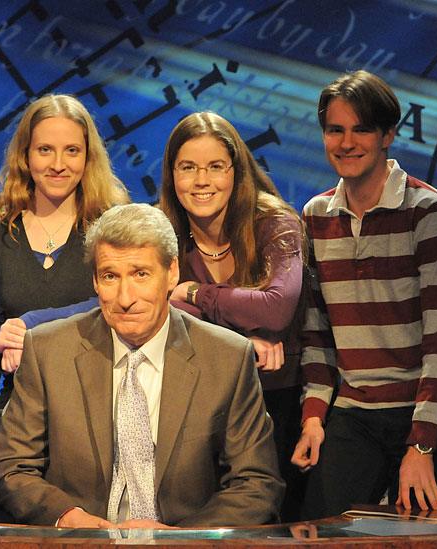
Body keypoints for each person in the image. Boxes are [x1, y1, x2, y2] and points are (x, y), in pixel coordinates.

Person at [0, 203, 283, 527]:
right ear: (95, 281)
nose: (125, 297)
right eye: (110, 276)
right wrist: (67, 517)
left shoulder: (226, 357)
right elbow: (12, 468)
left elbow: (257, 484)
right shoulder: (48, 350)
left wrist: (177, 539)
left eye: (140, 274)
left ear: (171, 272)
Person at [291, 70, 437, 518]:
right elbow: (317, 332)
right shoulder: (316, 215)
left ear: (388, 134)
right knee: (321, 527)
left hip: (429, 411)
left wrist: (422, 447)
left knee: (418, 535)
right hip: (356, 409)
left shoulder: (427, 212)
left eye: (361, 129)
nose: (347, 142)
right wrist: (314, 416)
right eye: (335, 130)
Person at [158, 111, 307, 521]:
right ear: (172, 175)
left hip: (280, 402)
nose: (201, 181)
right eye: (188, 168)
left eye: (215, 167)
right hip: (198, 407)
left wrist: (193, 292)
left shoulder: (275, 222)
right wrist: (242, 343)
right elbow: (154, 310)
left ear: (236, 172)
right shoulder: (163, 232)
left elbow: (276, 308)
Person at [0, 94, 128, 413]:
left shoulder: (113, 224)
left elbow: (113, 304)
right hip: (21, 407)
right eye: (45, 150)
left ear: (87, 157)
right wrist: (4, 344)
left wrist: (31, 325)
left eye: (72, 151)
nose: (58, 165)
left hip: (100, 404)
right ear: (26, 156)